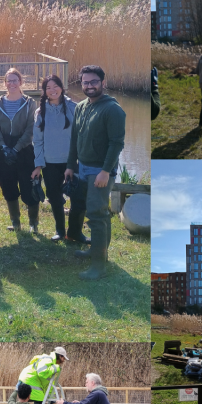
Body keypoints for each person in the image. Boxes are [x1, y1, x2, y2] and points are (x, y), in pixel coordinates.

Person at [67, 65, 127, 280]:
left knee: (96, 214)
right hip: (82, 167)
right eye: (85, 82)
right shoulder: (81, 106)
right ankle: (97, 251)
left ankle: (98, 266)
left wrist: (105, 171)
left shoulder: (113, 109)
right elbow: (74, 139)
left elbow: (116, 143)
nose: (89, 86)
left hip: (100, 170)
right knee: (98, 212)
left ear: (103, 82)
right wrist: (70, 165)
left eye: (93, 82)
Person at [30, 74, 80, 242]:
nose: (52, 90)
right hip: (50, 163)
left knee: (77, 197)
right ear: (44, 91)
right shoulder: (40, 112)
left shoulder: (74, 108)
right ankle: (60, 231)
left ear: (61, 87)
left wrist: (78, 160)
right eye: (48, 88)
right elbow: (37, 141)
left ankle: (74, 231)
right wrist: (38, 165)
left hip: (71, 162)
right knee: (54, 197)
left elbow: (81, 135)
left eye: (55, 86)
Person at [0, 68, 40, 233]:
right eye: (9, 80)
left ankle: (33, 224)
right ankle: (16, 223)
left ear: (21, 82)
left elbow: (31, 128)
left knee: (29, 186)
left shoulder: (30, 103)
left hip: (24, 149)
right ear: (5, 83)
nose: (12, 83)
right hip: (4, 149)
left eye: (15, 80)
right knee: (8, 187)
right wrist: (3, 146)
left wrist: (16, 148)